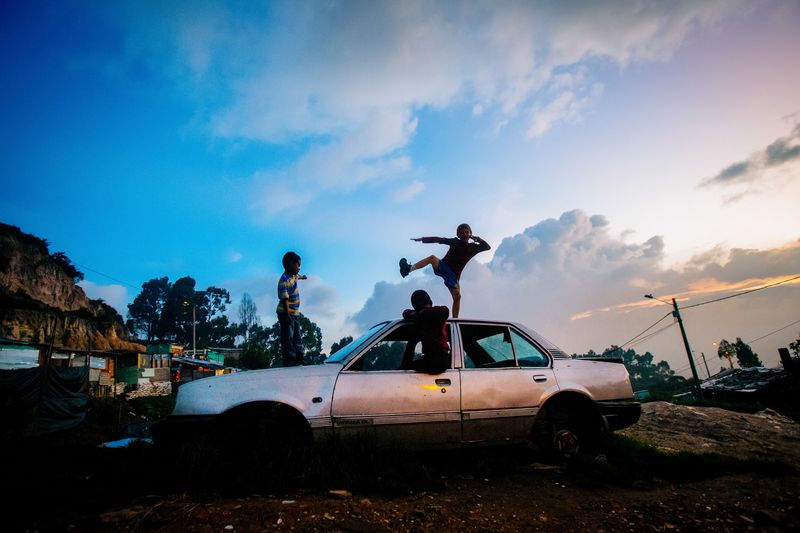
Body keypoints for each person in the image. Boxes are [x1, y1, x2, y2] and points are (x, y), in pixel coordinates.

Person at [399, 223, 490, 318]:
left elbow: (487, 247)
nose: (464, 234)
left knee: (457, 297)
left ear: (470, 233)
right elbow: (439, 240)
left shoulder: (474, 247)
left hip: (454, 275)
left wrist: (477, 239)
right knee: (432, 258)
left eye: (467, 232)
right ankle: (408, 269)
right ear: (458, 235)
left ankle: (455, 319)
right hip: (443, 266)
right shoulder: (455, 242)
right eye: (462, 233)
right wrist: (423, 239)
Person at [401, 289, 450, 374]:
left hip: (438, 359)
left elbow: (445, 310)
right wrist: (418, 313)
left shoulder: (437, 314)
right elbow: (405, 313)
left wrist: (420, 313)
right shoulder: (423, 316)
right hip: (433, 358)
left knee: (406, 368)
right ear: (430, 302)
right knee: (406, 367)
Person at [276, 251, 307, 366]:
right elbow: (285, 299)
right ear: (290, 265)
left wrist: (303, 277)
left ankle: (299, 358)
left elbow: (298, 276)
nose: (299, 268)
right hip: (286, 313)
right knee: (288, 336)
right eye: (298, 265)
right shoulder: (284, 281)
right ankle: (289, 359)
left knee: (297, 335)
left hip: (295, 313)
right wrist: (287, 315)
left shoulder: (293, 276)